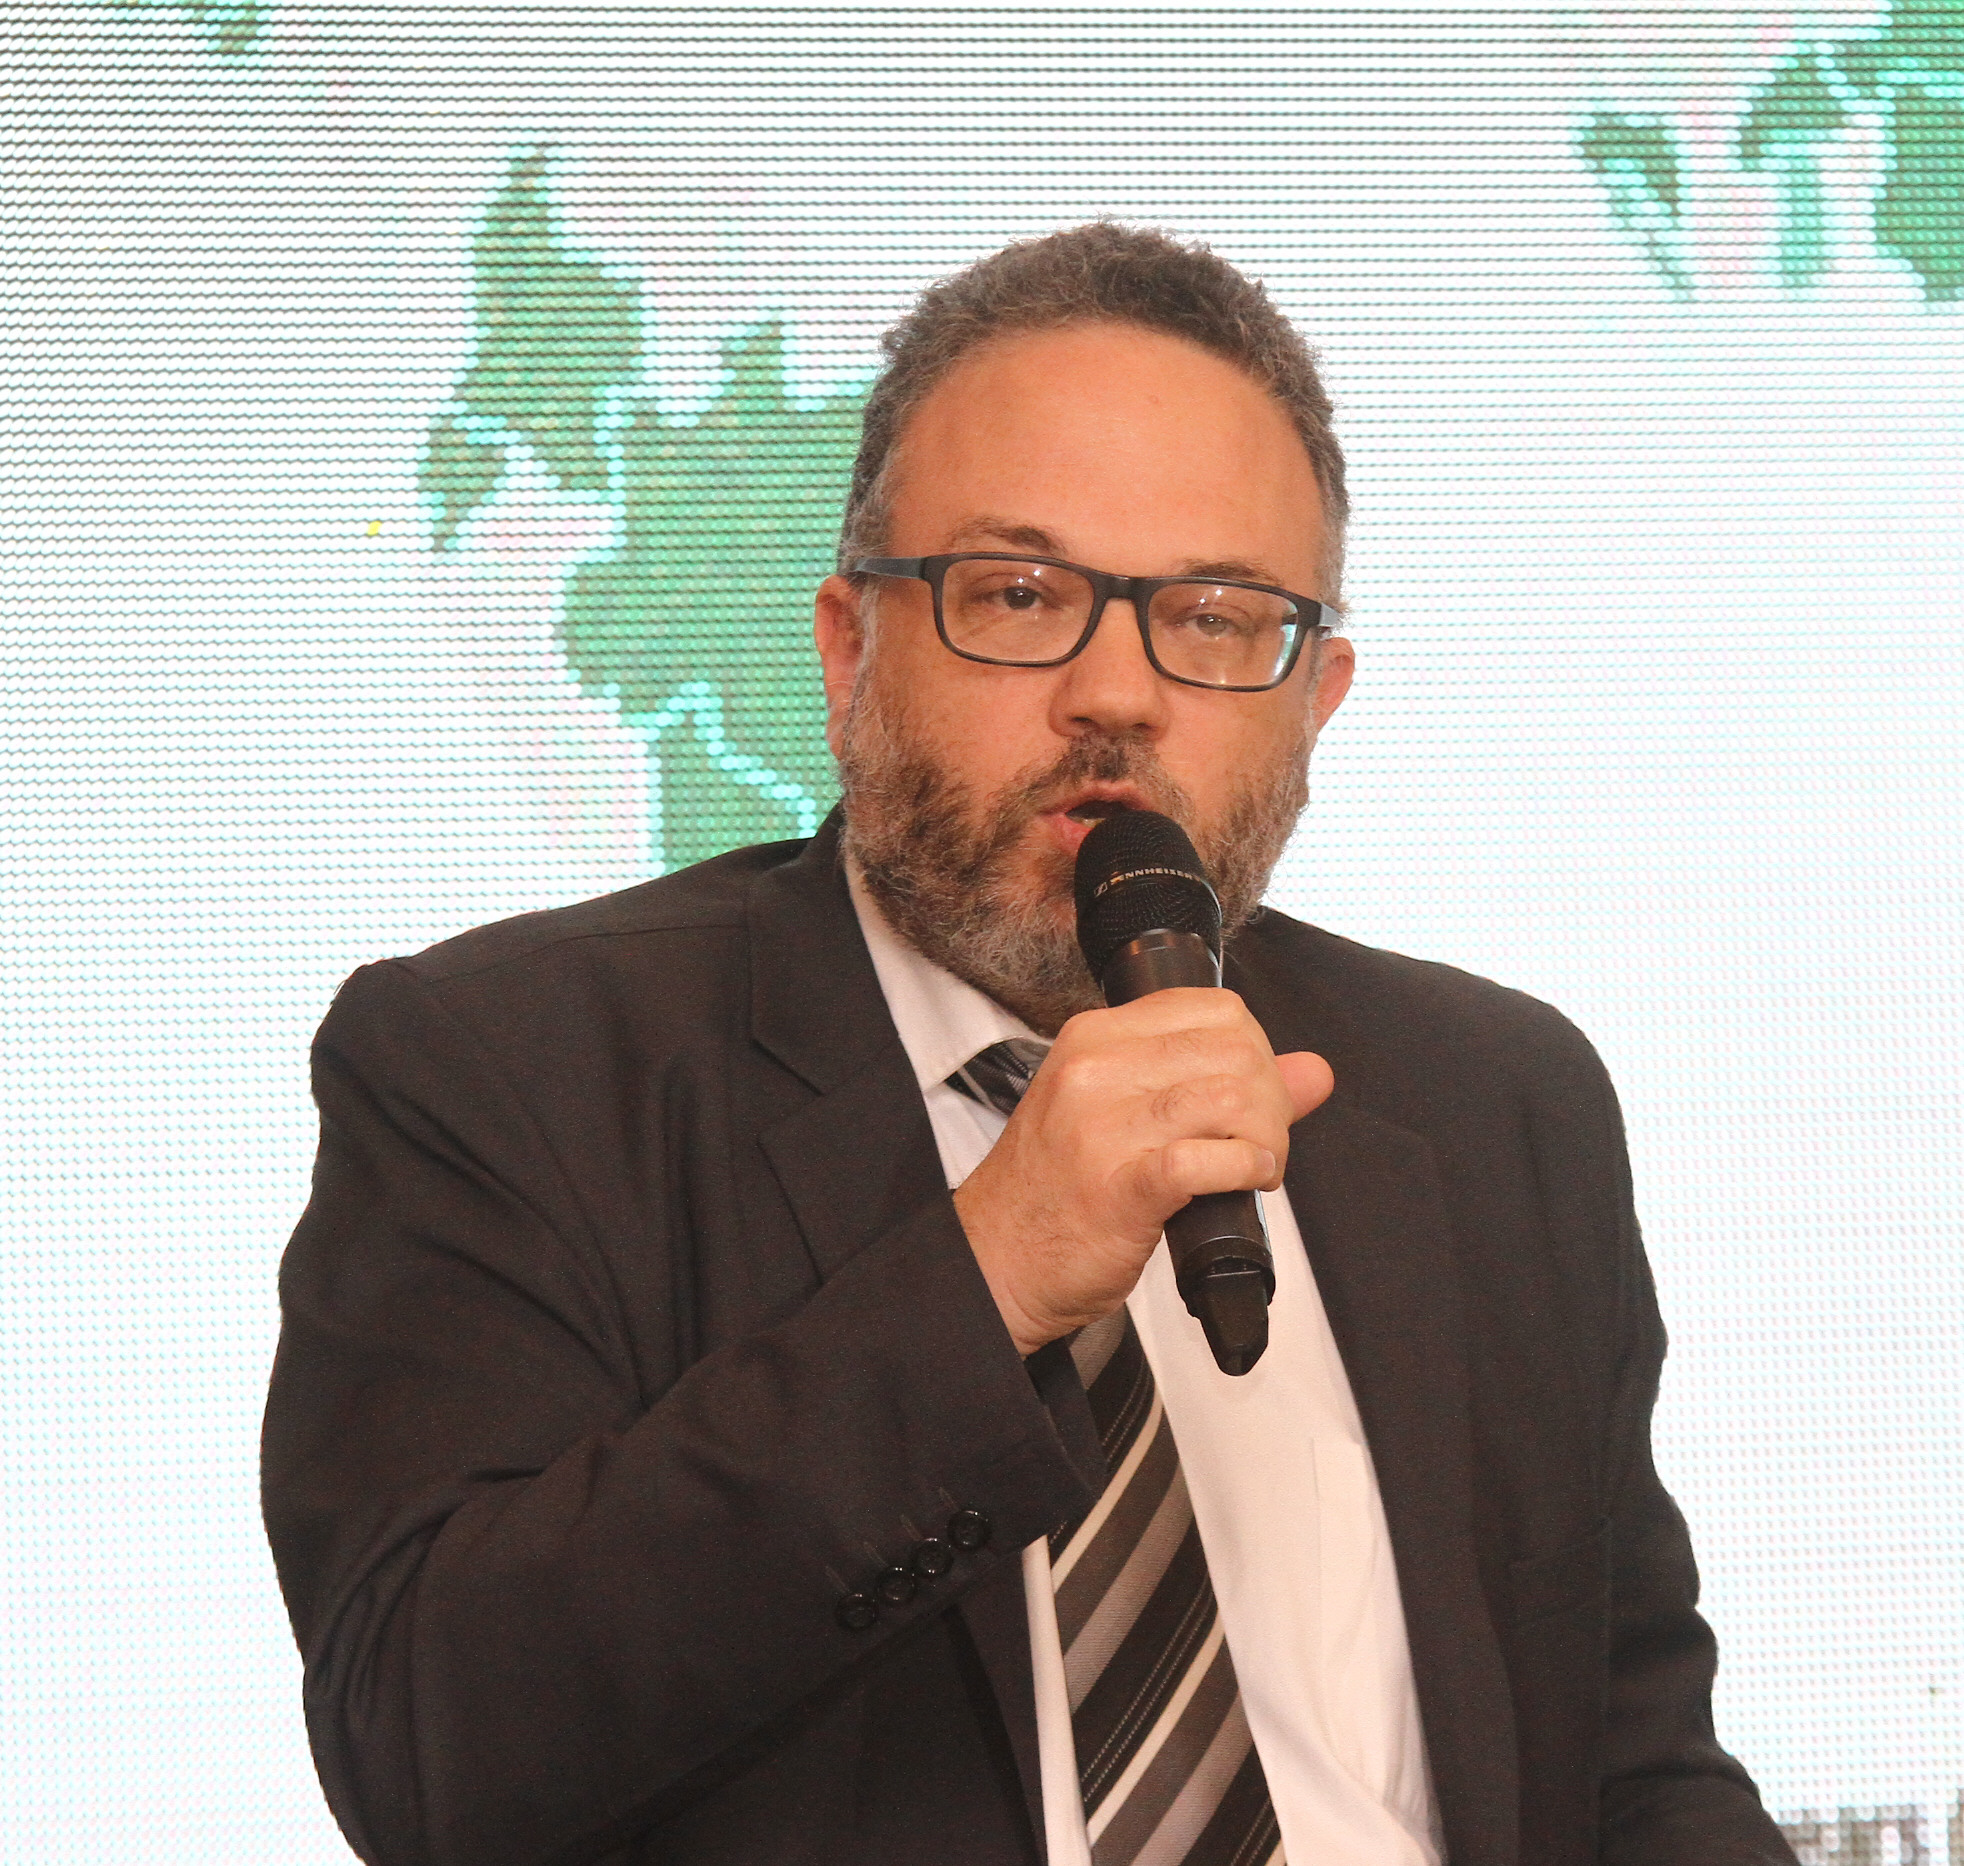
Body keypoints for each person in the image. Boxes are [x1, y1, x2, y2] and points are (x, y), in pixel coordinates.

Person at [262, 224, 1795, 1866]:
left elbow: (1633, 1770)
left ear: (1317, 699)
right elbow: (430, 1747)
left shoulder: (1495, 1100)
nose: (1116, 693)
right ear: (849, 648)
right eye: (1019, 595)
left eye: (1216, 617)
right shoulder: (511, 1069)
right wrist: (988, 1273)